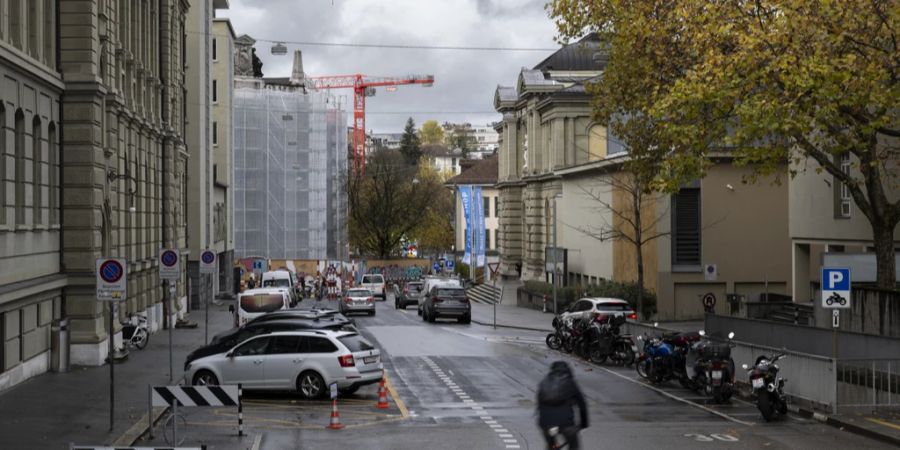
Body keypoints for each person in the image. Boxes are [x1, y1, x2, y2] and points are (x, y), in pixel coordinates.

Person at [537, 361, 588, 449]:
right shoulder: (570, 382)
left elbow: (539, 404)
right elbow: (582, 404)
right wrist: (584, 423)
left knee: (551, 445)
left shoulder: (544, 382)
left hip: (546, 423)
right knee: (573, 445)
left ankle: (552, 446)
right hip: (566, 424)